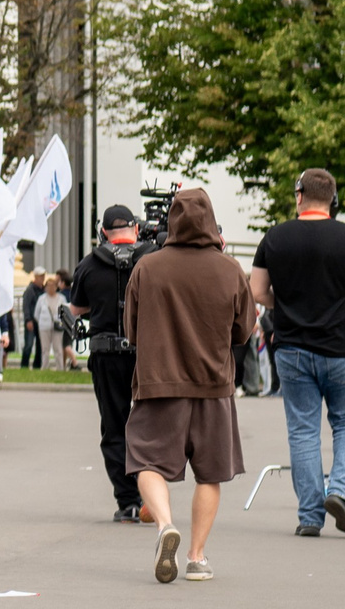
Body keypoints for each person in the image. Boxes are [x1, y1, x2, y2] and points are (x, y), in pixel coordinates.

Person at [124, 188, 251, 582]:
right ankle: (196, 558)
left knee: (145, 461)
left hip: (159, 383)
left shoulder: (148, 267)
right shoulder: (229, 269)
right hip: (214, 385)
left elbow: (130, 328)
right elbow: (244, 331)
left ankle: (164, 525)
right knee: (210, 474)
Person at [250, 168, 345, 538]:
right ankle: (338, 489)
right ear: (333, 200)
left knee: (303, 430)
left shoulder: (275, 237)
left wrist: (285, 304)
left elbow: (258, 291)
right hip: (340, 348)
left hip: (291, 348)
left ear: (299, 195)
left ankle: (309, 516)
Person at [70, 206, 145, 521]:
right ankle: (153, 494)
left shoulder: (89, 265)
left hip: (106, 355)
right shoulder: (152, 259)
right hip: (147, 354)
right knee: (149, 425)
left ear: (103, 233)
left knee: (114, 427)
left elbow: (76, 310)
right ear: (136, 230)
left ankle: (127, 501)